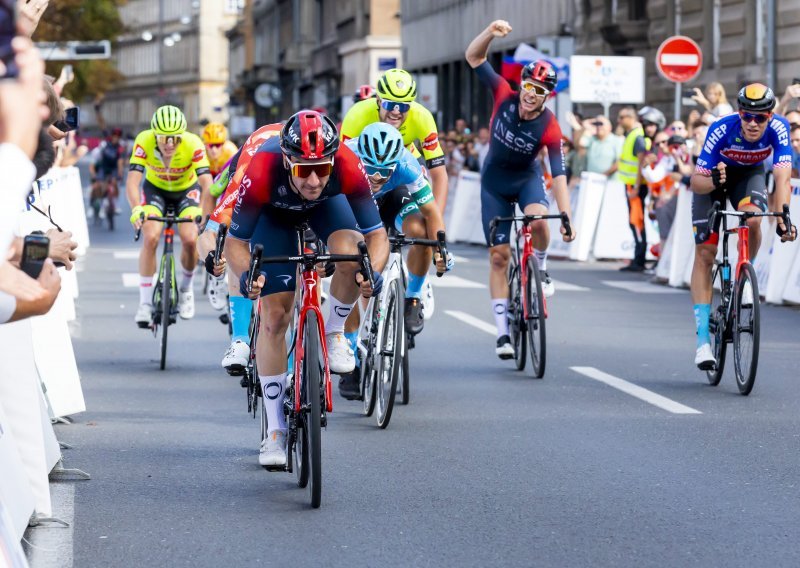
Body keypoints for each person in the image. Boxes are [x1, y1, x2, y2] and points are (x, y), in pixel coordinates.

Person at [225, 110, 389, 466]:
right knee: (275, 317)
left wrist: (372, 271)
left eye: (322, 169)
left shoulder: (346, 161)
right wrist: (245, 276)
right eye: (303, 170)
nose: (314, 180)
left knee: (352, 252)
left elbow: (377, 236)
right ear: (287, 161)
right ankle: (275, 430)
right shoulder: (263, 167)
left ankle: (333, 333)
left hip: (327, 210)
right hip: (274, 216)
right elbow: (235, 244)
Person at [465, 19, 575, 359]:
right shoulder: (503, 94)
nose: (531, 95)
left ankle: (539, 267)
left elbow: (557, 174)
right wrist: (488, 33)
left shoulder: (550, 126)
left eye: (539, 92)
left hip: (526, 178)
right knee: (499, 257)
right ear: (522, 84)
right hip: (494, 182)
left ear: (547, 97)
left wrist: (567, 216)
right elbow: (473, 58)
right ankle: (502, 334)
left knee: (539, 221)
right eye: (528, 87)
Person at [337, 122, 452, 398]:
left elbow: (431, 211)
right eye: (372, 168)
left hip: (392, 199)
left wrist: (440, 249)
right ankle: (349, 350)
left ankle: (412, 296)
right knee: (351, 265)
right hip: (355, 198)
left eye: (384, 170)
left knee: (420, 230)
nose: (377, 176)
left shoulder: (406, 164)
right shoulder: (345, 157)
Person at [689, 83, 797, 369]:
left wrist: (785, 217)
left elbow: (783, 178)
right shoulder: (721, 128)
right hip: (715, 180)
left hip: (748, 176)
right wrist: (714, 178)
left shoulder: (781, 128)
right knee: (705, 254)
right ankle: (702, 342)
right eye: (747, 116)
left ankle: (743, 275)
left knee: (753, 217)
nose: (752, 123)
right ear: (739, 113)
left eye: (760, 117)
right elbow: (696, 183)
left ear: (770, 116)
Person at [197, 122, 283, 373]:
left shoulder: (306, 172)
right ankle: (240, 339)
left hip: (291, 171)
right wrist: (212, 255)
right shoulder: (243, 171)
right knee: (236, 242)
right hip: (243, 179)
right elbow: (209, 230)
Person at [126, 105, 212, 327]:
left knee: (190, 239)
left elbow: (206, 183)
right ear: (155, 135)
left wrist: (203, 213)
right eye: (164, 138)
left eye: (175, 138)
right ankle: (145, 304)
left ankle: (186, 289)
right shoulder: (144, 140)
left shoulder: (193, 143)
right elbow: (133, 181)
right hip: (156, 190)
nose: (170, 144)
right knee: (151, 236)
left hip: (187, 191)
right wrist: (136, 208)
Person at [340, 68, 449, 212]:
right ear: (378, 101)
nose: (396, 112)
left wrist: (436, 223)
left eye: (403, 106)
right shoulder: (357, 114)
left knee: (422, 221)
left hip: (406, 162)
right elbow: (343, 166)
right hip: (367, 168)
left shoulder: (422, 117)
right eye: (389, 104)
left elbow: (439, 173)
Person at [617, 106, 663, 271]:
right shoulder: (635, 135)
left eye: (622, 116)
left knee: (636, 221)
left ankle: (639, 259)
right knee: (636, 221)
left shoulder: (637, 136)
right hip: (634, 184)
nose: (619, 120)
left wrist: (636, 187)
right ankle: (639, 257)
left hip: (635, 186)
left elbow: (639, 164)